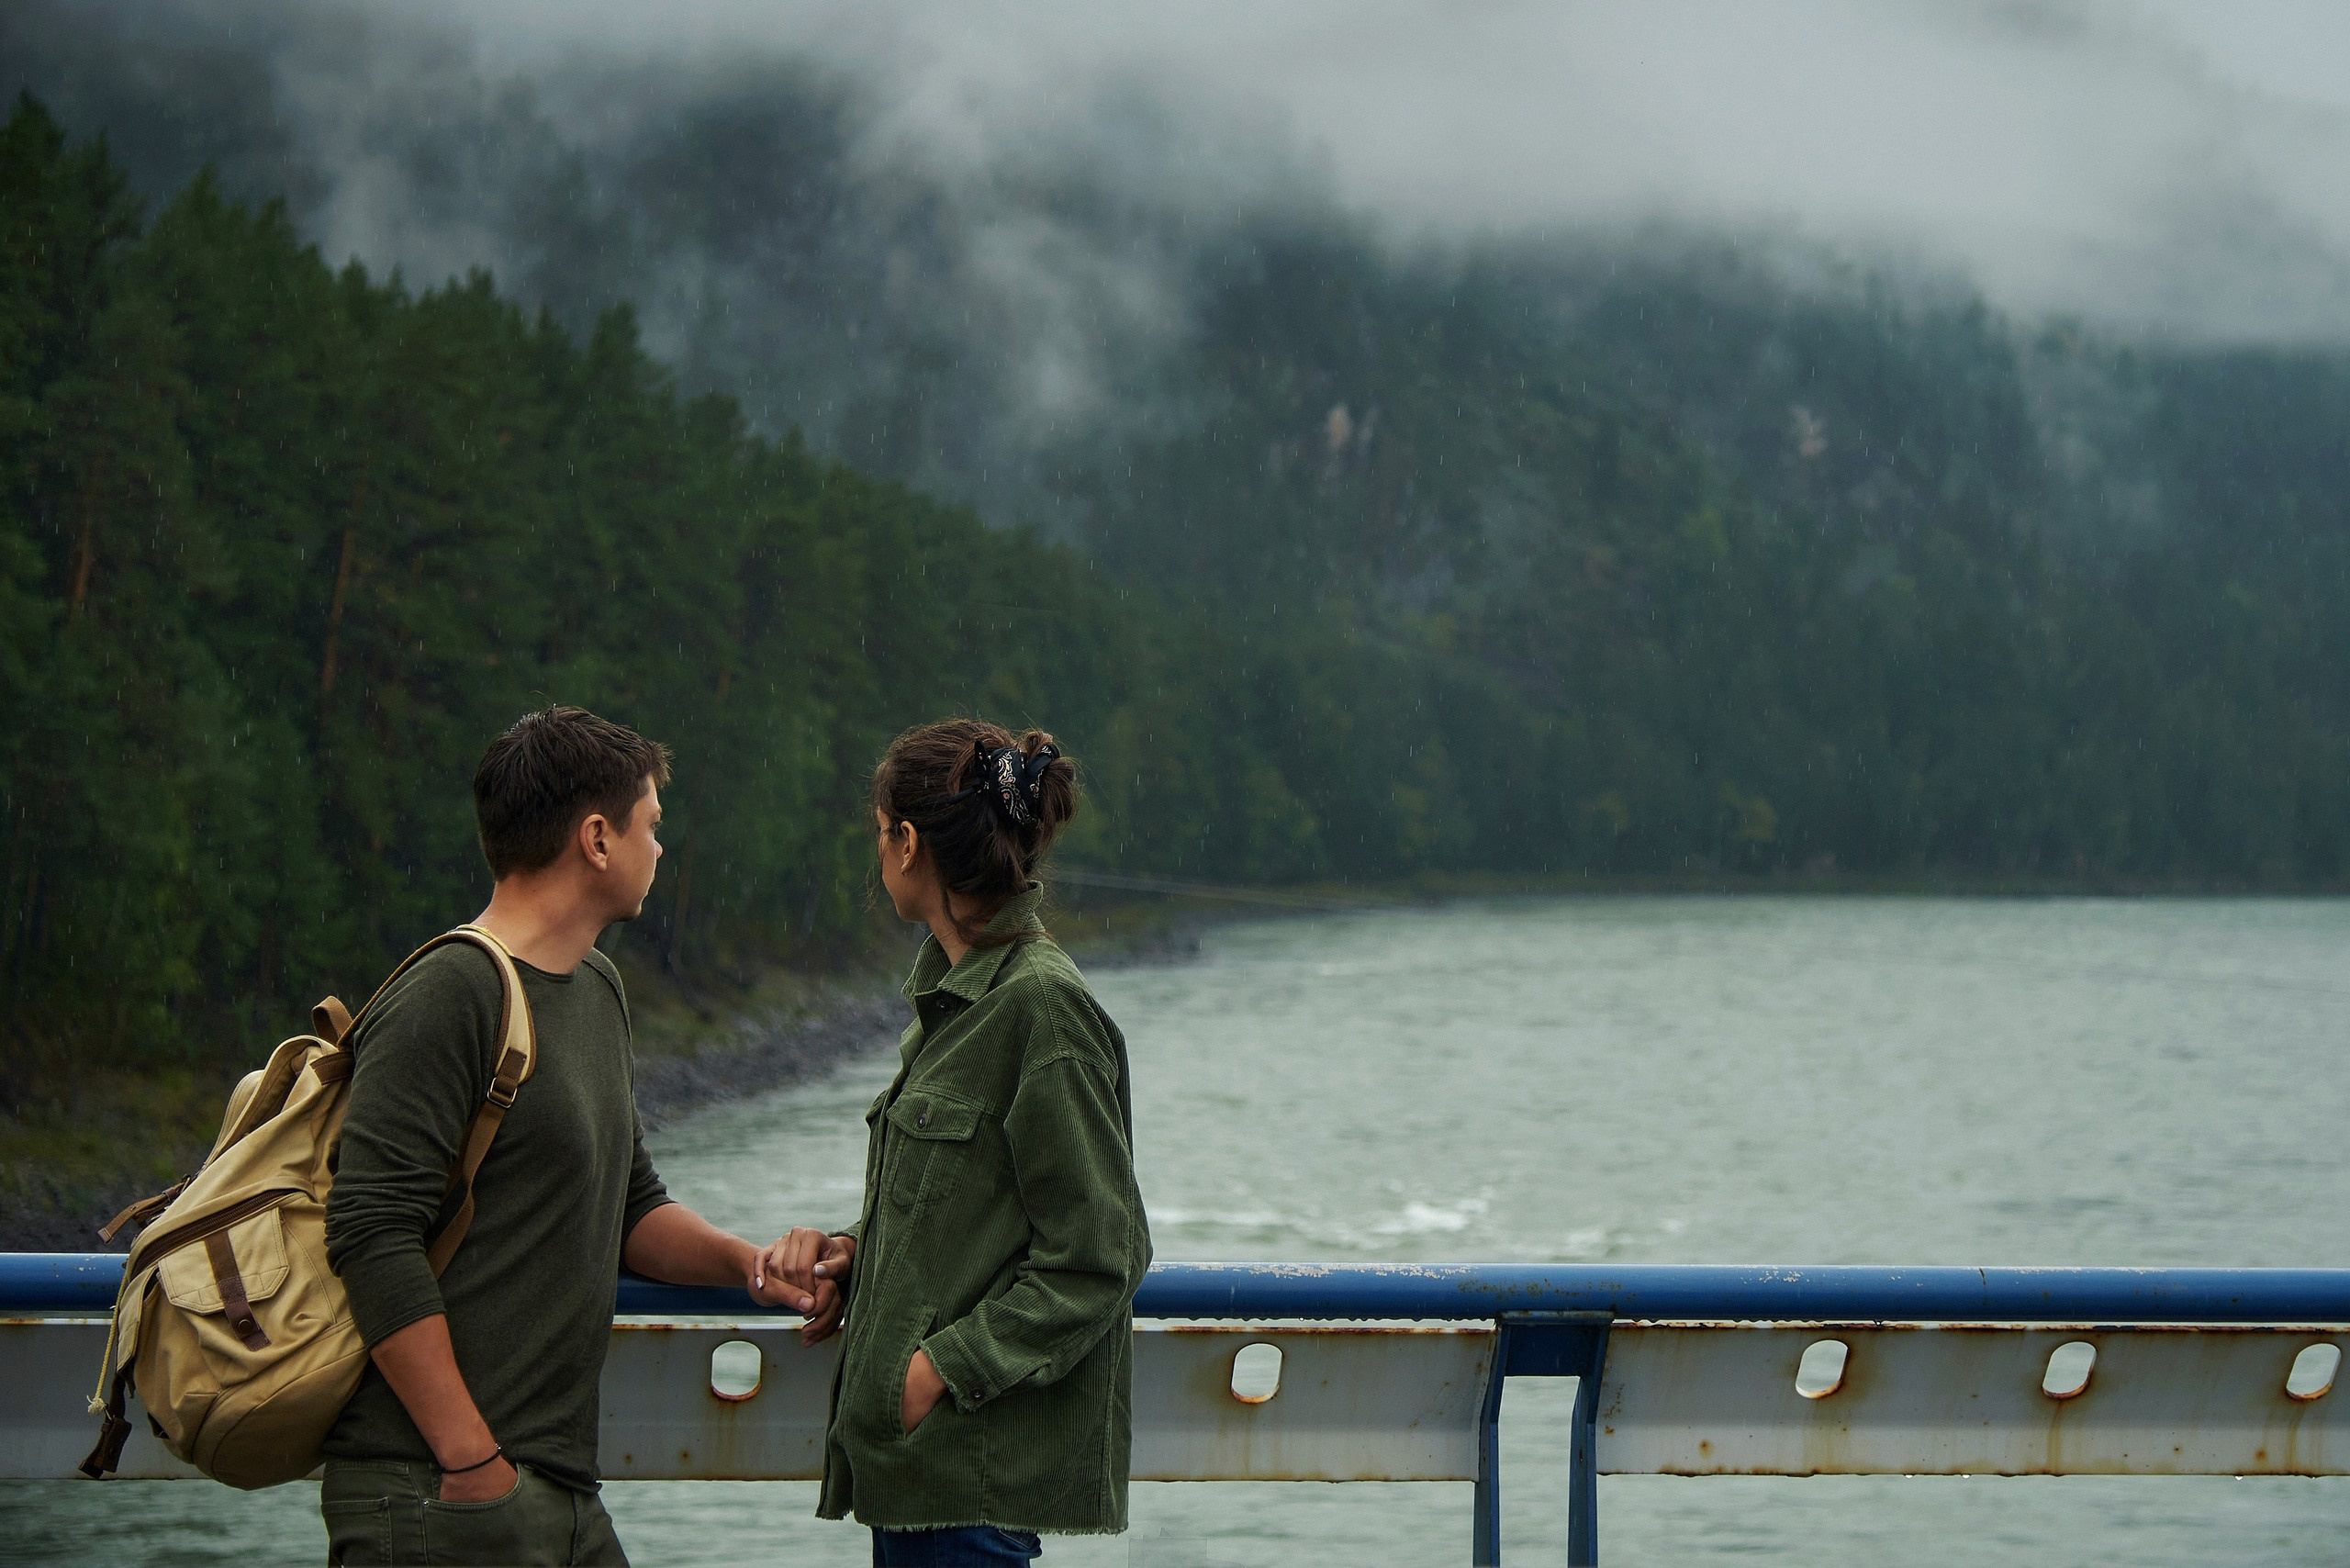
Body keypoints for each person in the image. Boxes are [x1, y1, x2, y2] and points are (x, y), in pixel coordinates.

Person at [320, 706, 806, 1566]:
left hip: (555, 1492)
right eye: (651, 825)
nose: (662, 849)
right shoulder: (450, 992)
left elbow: (630, 1204)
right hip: (438, 1493)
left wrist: (746, 1266)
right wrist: (471, 1459)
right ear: (597, 839)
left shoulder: (596, 988)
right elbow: (370, 1231)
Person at [767, 719, 1153, 1567]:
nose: (879, 854)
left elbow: (1099, 1256)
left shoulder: (1042, 1010)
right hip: (916, 1488)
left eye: (880, 834)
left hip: (967, 1497)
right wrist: (852, 1255)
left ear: (908, 844)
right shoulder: (957, 1000)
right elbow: (965, 1213)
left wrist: (937, 1370)